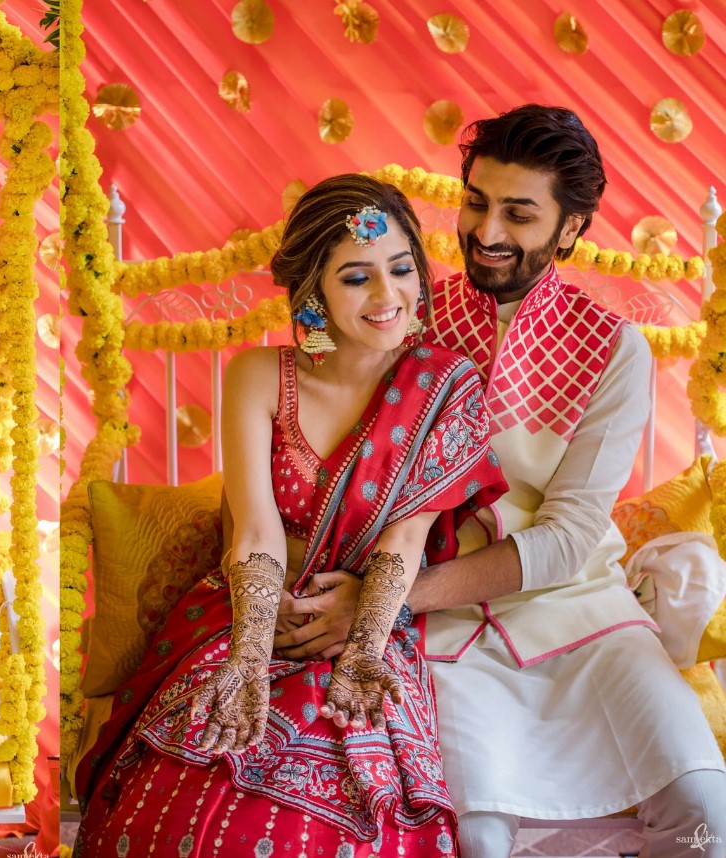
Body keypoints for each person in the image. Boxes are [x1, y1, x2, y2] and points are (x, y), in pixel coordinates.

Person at [275, 106, 726, 857]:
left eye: (519, 213)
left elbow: (572, 535)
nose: (486, 232)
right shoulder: (407, 313)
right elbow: (312, 374)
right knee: (474, 837)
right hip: (443, 632)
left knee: (707, 814)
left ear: (571, 228)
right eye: (476, 202)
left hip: (579, 613)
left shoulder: (617, 351)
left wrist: (383, 600)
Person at [74, 175, 507, 857]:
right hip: (251, 607)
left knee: (342, 801)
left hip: (368, 616)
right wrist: (247, 656)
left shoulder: (444, 383)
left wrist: (363, 649)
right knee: (182, 785)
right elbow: (252, 526)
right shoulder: (258, 375)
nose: (388, 296)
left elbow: (407, 535)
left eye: (401, 270)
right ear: (314, 291)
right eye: (357, 278)